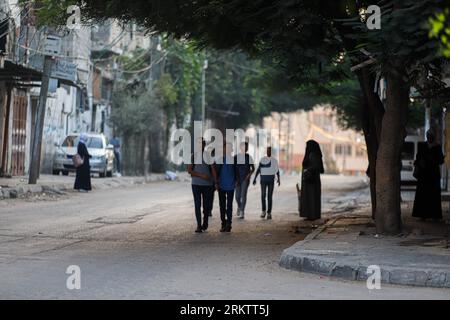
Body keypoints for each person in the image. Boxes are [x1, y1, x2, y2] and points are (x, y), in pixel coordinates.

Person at [412, 130, 445, 221]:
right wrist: (419, 163)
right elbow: (418, 158)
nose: (429, 137)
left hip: (433, 175)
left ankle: (434, 216)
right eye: (428, 136)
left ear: (433, 137)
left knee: (433, 196)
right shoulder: (422, 146)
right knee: (423, 195)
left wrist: (433, 159)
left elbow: (441, 160)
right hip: (423, 175)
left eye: (431, 136)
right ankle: (422, 215)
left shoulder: (437, 147)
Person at [188, 139, 217, 233]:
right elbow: (190, 170)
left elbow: (213, 169)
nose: (201, 145)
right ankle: (198, 225)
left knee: (206, 205)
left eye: (203, 143)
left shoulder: (208, 156)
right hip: (196, 184)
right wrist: (202, 175)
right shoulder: (193, 156)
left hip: (207, 185)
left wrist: (216, 182)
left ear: (204, 145)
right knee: (197, 204)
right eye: (199, 143)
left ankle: (205, 222)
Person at [215, 142, 239, 232]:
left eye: (229, 148)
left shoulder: (234, 160)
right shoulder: (220, 159)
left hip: (231, 185)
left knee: (229, 205)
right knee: (222, 205)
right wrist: (216, 183)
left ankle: (229, 223)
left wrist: (236, 181)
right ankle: (223, 223)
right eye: (226, 148)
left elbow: (236, 171)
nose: (227, 150)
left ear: (231, 150)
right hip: (221, 185)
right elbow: (216, 173)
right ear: (224, 149)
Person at [300, 140, 324, 221]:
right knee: (310, 198)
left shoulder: (313, 155)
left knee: (311, 198)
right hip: (310, 181)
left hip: (311, 181)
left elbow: (317, 167)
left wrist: (308, 170)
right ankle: (310, 214)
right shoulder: (312, 155)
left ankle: (312, 215)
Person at [253, 147, 280, 220]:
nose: (268, 152)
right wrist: (255, 178)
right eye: (267, 151)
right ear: (266, 151)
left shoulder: (274, 160)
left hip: (271, 180)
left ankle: (269, 213)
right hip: (263, 180)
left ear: (271, 152)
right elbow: (259, 169)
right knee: (263, 195)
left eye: (270, 151)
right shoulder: (263, 159)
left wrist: (279, 179)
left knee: (269, 196)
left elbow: (277, 170)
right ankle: (263, 211)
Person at [234, 141, 255, 219]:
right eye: (244, 147)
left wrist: (249, 174)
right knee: (237, 196)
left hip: (245, 179)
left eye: (247, 147)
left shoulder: (249, 157)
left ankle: (242, 211)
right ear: (240, 147)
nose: (245, 148)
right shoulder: (236, 157)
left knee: (243, 195)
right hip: (237, 179)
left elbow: (253, 168)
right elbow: (233, 168)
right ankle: (239, 206)